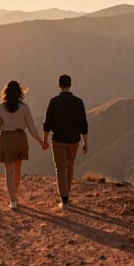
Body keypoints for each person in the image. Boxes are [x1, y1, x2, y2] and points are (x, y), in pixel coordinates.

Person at [0, 80, 45, 210]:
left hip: (6, 139)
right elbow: (31, 127)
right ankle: (14, 194)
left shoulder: (0, 107)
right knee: (17, 169)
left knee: (8, 171)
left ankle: (13, 199)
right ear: (19, 93)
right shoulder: (24, 107)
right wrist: (41, 142)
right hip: (21, 139)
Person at [43, 74, 88, 209]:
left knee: (60, 169)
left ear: (59, 85)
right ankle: (67, 194)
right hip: (74, 141)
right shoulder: (78, 102)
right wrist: (86, 142)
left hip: (58, 141)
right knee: (69, 166)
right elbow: (83, 125)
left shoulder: (53, 102)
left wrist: (44, 141)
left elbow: (47, 124)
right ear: (70, 85)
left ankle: (64, 199)